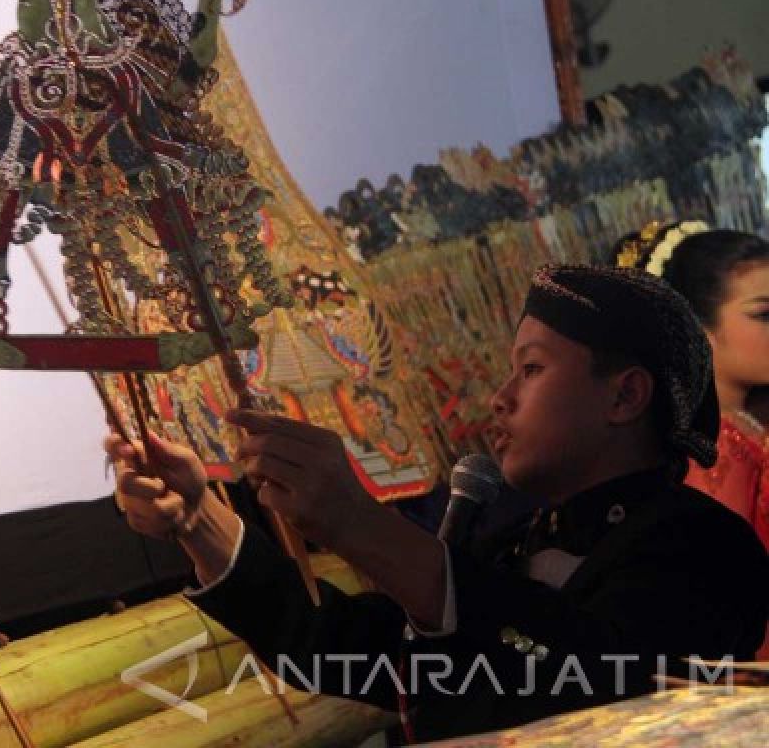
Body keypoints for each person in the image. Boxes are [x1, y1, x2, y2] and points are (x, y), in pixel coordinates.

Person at [104, 264, 769, 742]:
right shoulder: (514, 539)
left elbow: (587, 675)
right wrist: (202, 523)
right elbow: (341, 651)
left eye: (531, 369)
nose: (500, 397)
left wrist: (357, 522)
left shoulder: (704, 548)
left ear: (624, 396)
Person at [615, 221, 769, 658]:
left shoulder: (743, 431)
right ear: (700, 332)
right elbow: (729, 593)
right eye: (763, 315)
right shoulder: (715, 449)